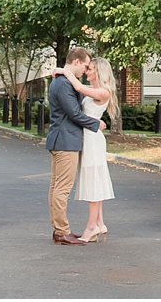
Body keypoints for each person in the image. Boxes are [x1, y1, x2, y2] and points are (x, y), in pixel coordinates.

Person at [56, 57, 119, 243]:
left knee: (93, 182)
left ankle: (91, 227)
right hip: (89, 138)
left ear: (98, 72)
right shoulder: (94, 92)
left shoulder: (103, 92)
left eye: (90, 69)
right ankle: (99, 223)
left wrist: (65, 71)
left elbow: (78, 88)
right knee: (94, 180)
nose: (87, 72)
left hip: (92, 140)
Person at [46, 46, 102, 245]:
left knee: (56, 187)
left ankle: (59, 230)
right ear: (76, 62)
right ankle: (62, 231)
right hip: (65, 141)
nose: (85, 71)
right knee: (62, 188)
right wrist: (97, 124)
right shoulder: (62, 84)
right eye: (85, 66)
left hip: (60, 139)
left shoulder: (62, 80)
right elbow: (74, 114)